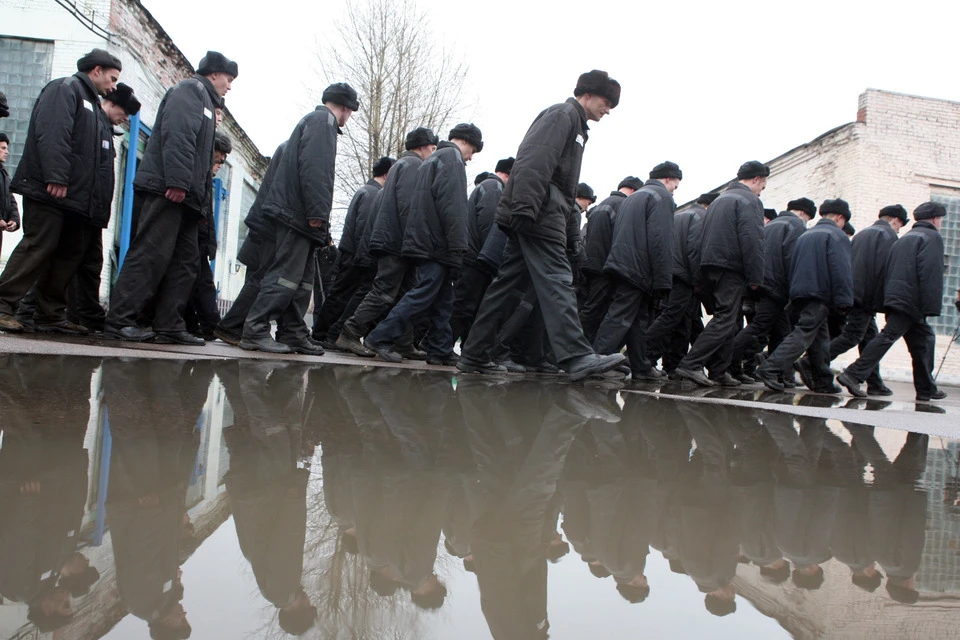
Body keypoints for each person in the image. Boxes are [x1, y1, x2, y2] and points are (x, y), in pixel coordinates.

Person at [458, 69, 626, 381]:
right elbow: (534, 161)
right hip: (537, 215)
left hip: (541, 213)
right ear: (587, 94)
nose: (608, 109)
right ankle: (576, 355)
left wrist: (569, 232)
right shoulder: (562, 115)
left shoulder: (576, 125)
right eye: (606, 101)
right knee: (557, 279)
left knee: (506, 287)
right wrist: (525, 208)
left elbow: (562, 187)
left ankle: (473, 354)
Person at [105, 50, 236, 343]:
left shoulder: (205, 102)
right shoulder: (190, 91)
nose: (230, 86)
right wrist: (177, 181)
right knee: (150, 254)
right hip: (170, 190)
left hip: (189, 199)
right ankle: (120, 320)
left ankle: (170, 325)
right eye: (228, 79)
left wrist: (199, 199)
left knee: (186, 263)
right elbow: (179, 137)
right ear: (213, 74)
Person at [0, 48, 122, 333]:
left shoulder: (92, 104)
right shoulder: (65, 89)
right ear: (96, 71)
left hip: (73, 200)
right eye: (112, 78)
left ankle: (51, 316)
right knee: (38, 245)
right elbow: (53, 132)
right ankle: (3, 304)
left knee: (67, 253)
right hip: (49, 190)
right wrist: (56, 175)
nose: (114, 86)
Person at [240, 83, 358, 354]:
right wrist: (318, 214)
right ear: (345, 107)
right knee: (284, 275)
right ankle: (255, 329)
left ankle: (293, 331)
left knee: (302, 281)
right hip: (300, 216)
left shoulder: (318, 122)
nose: (349, 116)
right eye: (350, 111)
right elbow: (316, 171)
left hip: (301, 217)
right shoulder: (323, 121)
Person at [363, 124, 482, 365]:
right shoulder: (452, 159)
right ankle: (379, 336)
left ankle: (440, 348)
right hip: (437, 244)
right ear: (467, 142)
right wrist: (459, 245)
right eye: (473, 151)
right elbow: (454, 206)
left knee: (443, 298)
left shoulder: (433, 158)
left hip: (424, 240)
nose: (471, 157)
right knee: (423, 294)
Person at [336, 127, 439, 357]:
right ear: (422, 147)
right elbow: (408, 207)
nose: (433, 153)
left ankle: (404, 343)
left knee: (404, 293)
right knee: (384, 292)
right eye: (432, 148)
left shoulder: (401, 165)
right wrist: (416, 242)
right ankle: (350, 333)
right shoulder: (413, 166)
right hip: (397, 242)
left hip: (394, 240)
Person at [838, 202, 948, 402]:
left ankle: (926, 388)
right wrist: (930, 306)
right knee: (888, 336)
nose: (941, 222)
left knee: (924, 340)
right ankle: (854, 373)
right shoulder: (931, 237)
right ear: (935, 219)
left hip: (896, 297)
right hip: (912, 301)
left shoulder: (905, 238)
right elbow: (929, 273)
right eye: (940, 218)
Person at [673, 161, 769, 386]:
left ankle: (718, 370)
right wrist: (756, 277)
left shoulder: (718, 201)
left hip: (711, 266)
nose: (760, 191)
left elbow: (701, 238)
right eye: (762, 187)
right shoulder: (749, 200)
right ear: (756, 180)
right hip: (731, 267)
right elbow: (752, 239)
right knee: (726, 318)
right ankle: (690, 364)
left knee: (732, 319)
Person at [593, 162, 681, 379]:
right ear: (669, 179)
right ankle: (598, 360)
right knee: (621, 314)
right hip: (638, 266)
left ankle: (641, 366)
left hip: (623, 261)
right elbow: (661, 240)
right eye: (676, 185)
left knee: (637, 319)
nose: (675, 190)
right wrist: (663, 280)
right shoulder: (661, 197)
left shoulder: (635, 197)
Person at [755, 199, 854, 392]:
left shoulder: (806, 234)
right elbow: (841, 269)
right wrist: (844, 300)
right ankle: (770, 367)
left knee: (820, 338)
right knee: (804, 332)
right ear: (840, 218)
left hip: (799, 292)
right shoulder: (836, 236)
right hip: (819, 292)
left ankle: (823, 380)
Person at [311, 156, 395, 348]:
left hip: (353, 252)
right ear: (387, 173)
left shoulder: (367, 191)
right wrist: (365, 256)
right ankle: (323, 335)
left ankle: (322, 334)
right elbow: (364, 228)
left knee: (341, 294)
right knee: (343, 296)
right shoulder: (373, 194)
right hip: (357, 255)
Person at [730, 197, 816, 383]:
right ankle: (724, 359)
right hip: (778, 286)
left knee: (780, 330)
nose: (806, 222)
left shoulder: (770, 226)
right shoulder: (796, 226)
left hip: (760, 283)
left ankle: (779, 374)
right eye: (808, 218)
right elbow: (792, 259)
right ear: (803, 213)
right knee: (759, 326)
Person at [828, 204, 908, 396]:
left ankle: (874, 382)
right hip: (866, 297)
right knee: (853, 335)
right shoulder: (888, 236)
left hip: (853, 292)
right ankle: (812, 361)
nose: (898, 229)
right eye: (900, 226)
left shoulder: (863, 233)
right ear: (896, 221)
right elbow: (883, 271)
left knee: (869, 337)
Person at [644, 192, 717, 374]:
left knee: (683, 322)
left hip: (669, 273)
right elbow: (694, 250)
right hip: (685, 275)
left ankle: (672, 365)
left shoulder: (680, 216)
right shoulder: (702, 217)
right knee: (671, 317)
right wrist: (698, 281)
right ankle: (640, 355)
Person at [449, 157, 514, 345]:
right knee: (464, 306)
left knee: (469, 306)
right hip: (475, 259)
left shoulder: (488, 187)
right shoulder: (494, 188)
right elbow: (490, 226)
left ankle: (463, 346)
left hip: (472, 256)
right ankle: (440, 346)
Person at [578, 176, 642, 342]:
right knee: (595, 311)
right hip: (605, 266)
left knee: (590, 307)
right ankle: (576, 348)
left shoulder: (602, 204)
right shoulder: (624, 206)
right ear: (634, 191)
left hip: (589, 263)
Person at [184, 130, 232, 340]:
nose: (221, 162)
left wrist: (210, 243)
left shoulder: (206, 180)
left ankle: (201, 324)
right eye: (219, 156)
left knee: (198, 283)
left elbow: (208, 215)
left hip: (200, 240)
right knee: (200, 284)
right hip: (194, 239)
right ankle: (209, 325)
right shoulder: (198, 175)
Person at [0, 132, 19, 255]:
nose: (7, 152)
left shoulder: (3, 173)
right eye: (3, 148)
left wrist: (14, 219)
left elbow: (10, 198)